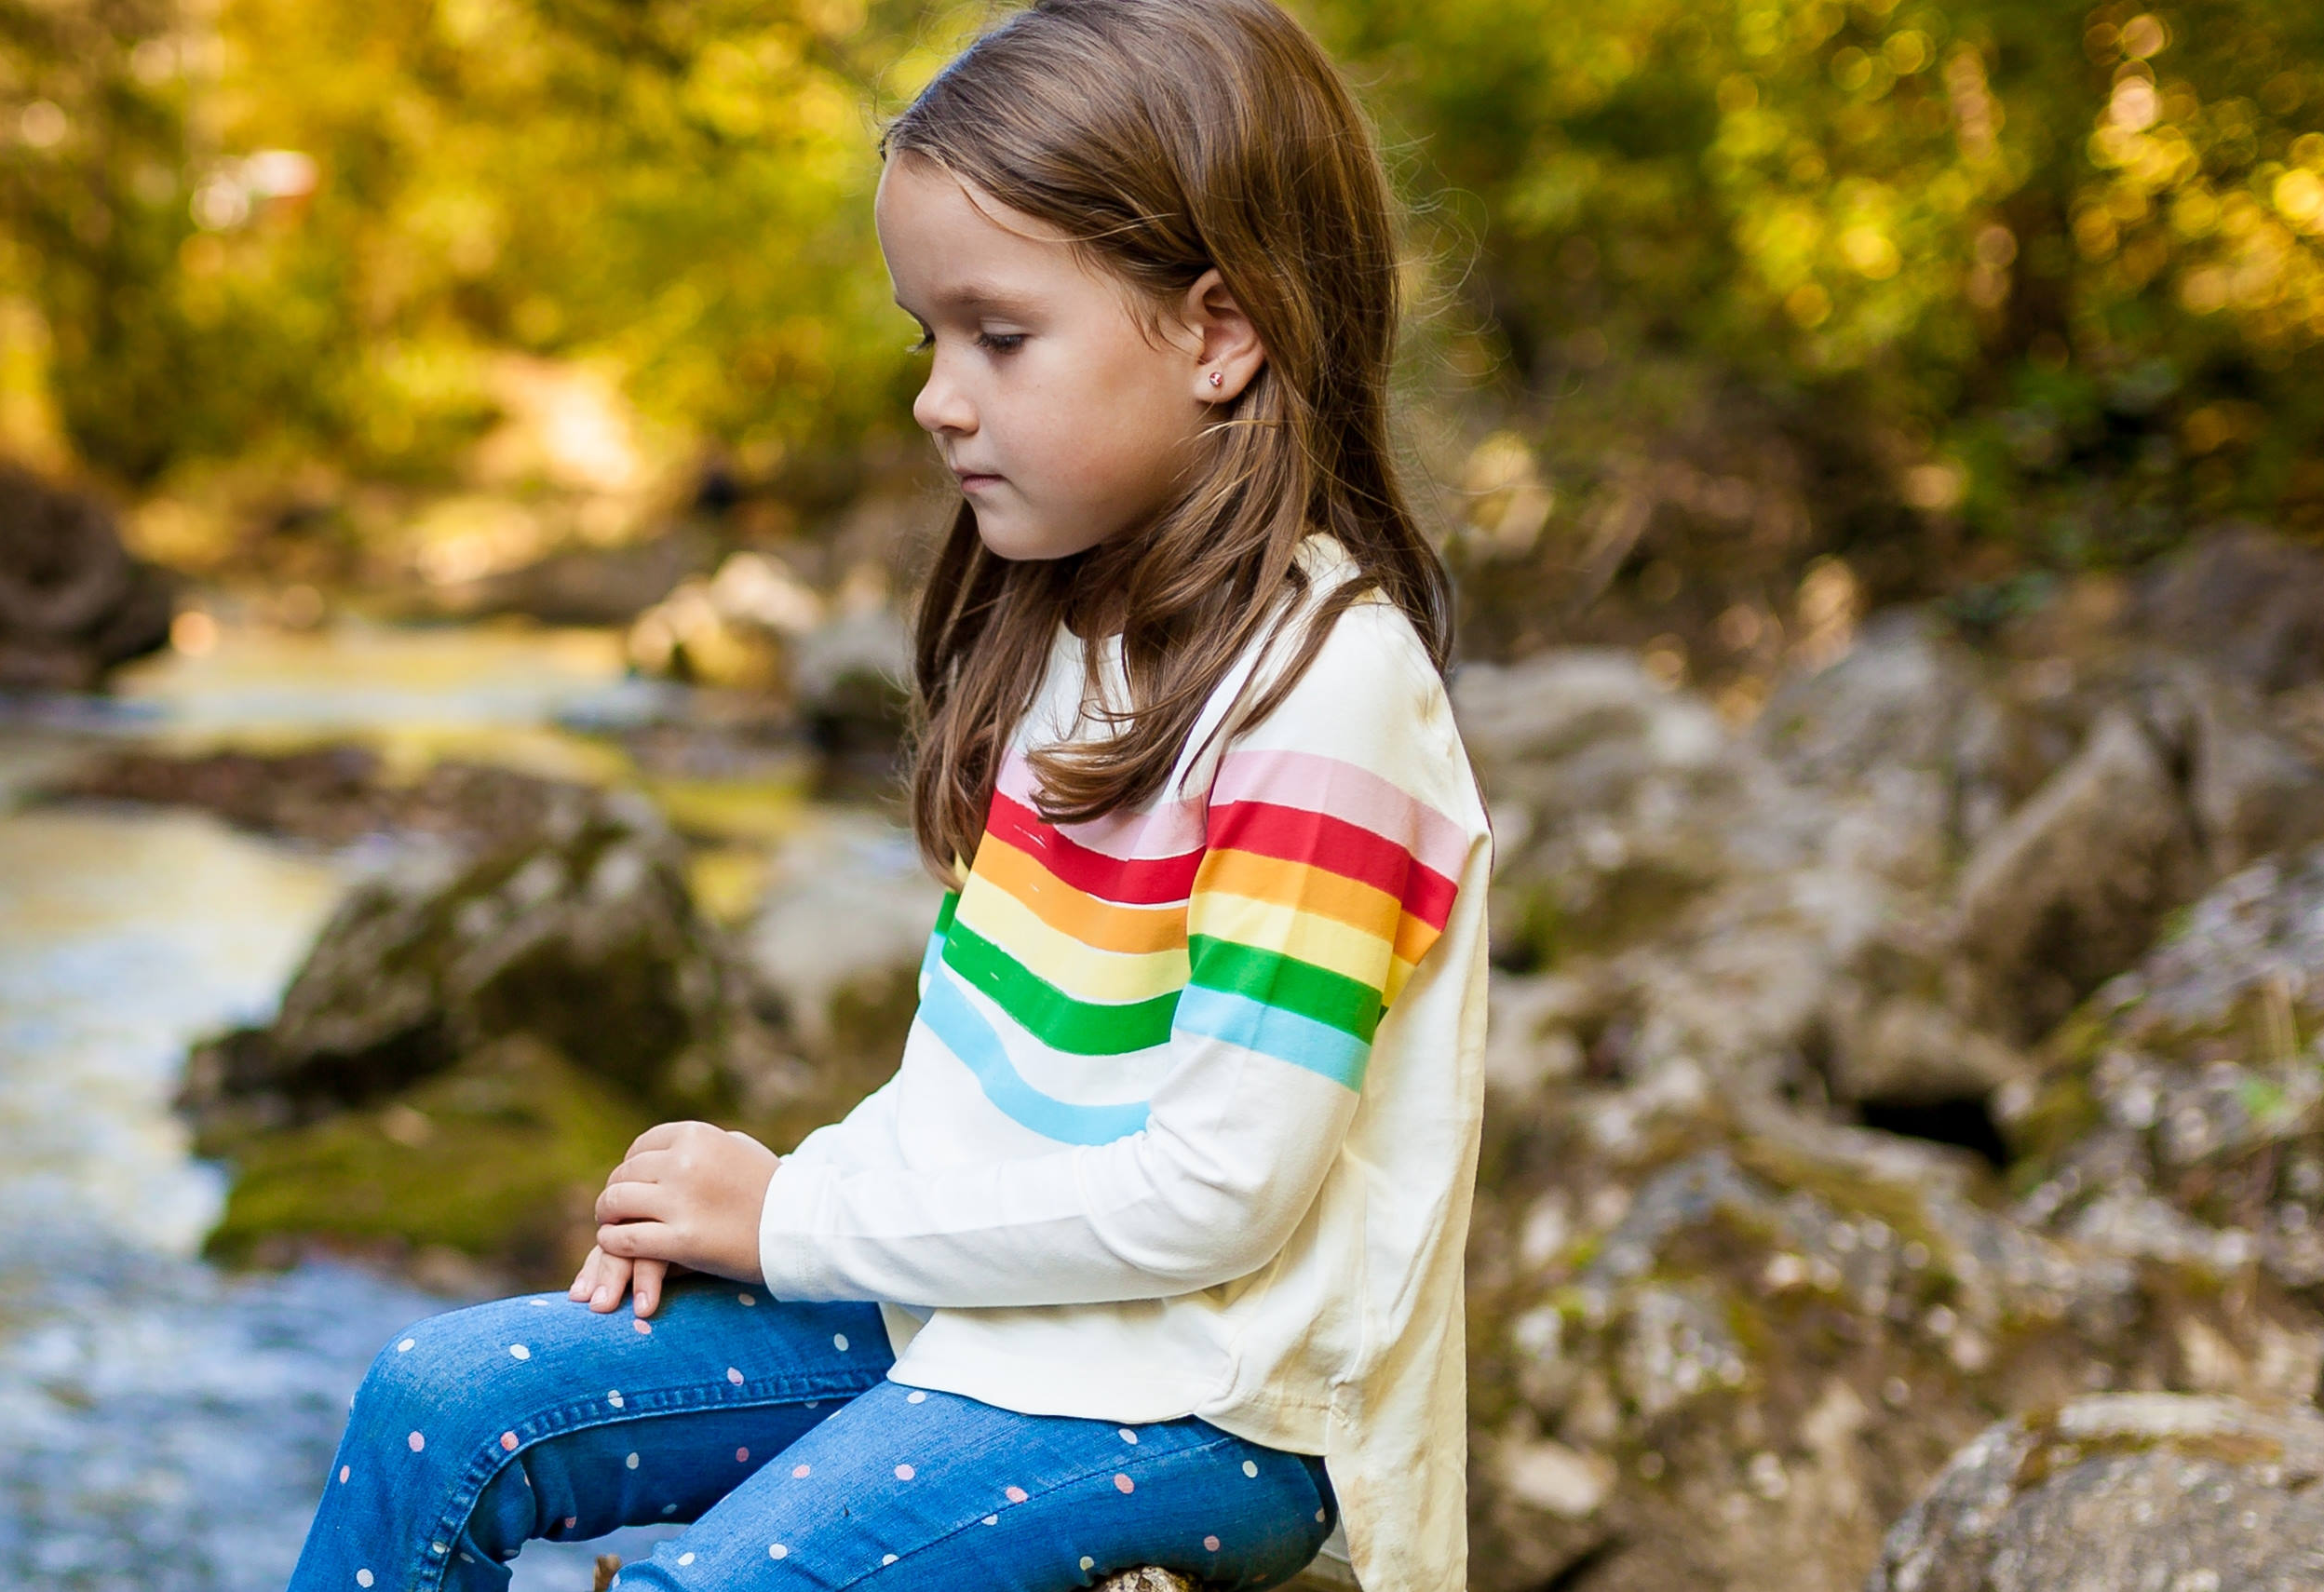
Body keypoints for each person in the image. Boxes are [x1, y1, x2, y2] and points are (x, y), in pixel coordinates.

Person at [274, 2, 1487, 1589]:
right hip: (988, 1315)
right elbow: (977, 1099)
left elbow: (1216, 1202)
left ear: (1217, 330)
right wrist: (761, 1195)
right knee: (439, 1405)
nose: (936, 396)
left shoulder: (1325, 697)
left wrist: (786, 1222)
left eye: (997, 335)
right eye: (927, 336)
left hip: (1215, 1395)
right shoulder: (1072, 623)